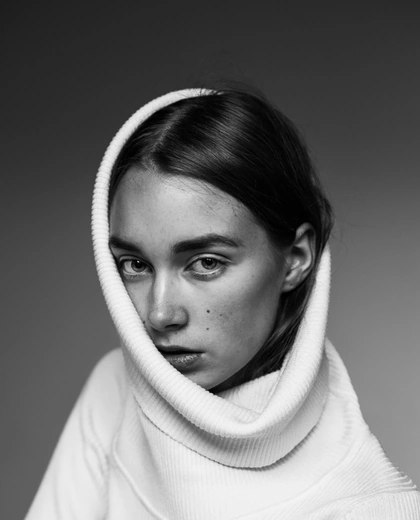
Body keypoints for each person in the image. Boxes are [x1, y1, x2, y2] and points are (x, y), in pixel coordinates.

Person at [25, 86, 420, 519]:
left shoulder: (375, 508)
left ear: (296, 258)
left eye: (206, 263)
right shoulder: (114, 386)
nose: (159, 314)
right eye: (135, 265)